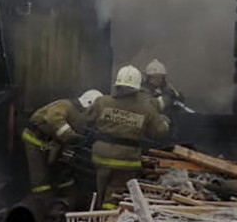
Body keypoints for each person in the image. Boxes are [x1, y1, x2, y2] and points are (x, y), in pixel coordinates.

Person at [90, 65, 170, 209]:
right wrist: (165, 121)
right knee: (116, 194)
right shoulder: (146, 108)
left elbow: (86, 120)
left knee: (100, 190)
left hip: (100, 157)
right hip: (126, 160)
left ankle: (96, 212)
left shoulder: (102, 101)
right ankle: (108, 220)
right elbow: (160, 132)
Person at [22, 89, 103, 195]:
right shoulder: (65, 105)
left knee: (58, 172)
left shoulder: (83, 116)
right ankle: (41, 200)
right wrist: (69, 136)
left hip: (52, 142)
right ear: (89, 104)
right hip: (34, 139)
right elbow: (54, 118)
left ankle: (60, 195)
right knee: (40, 177)